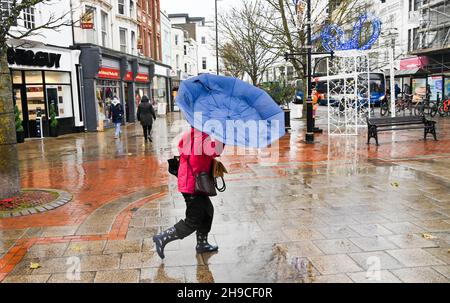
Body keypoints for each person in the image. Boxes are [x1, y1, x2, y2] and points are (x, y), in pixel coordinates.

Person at [152, 127, 224, 259]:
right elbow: (210, 154)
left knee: (208, 211)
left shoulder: (192, 133)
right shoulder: (201, 136)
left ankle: (202, 244)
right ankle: (162, 238)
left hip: (189, 181)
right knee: (193, 220)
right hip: (193, 184)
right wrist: (223, 138)